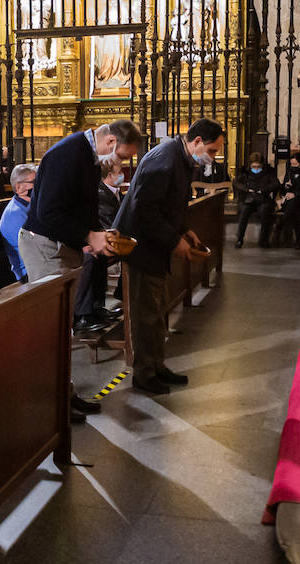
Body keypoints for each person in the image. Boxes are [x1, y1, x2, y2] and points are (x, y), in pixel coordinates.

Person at [21, 118, 141, 419]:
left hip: (64, 244)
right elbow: (48, 211)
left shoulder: (86, 156)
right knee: (52, 328)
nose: (123, 167)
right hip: (46, 246)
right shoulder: (68, 153)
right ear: (111, 142)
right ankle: (50, 404)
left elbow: (82, 204)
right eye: (123, 158)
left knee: (64, 326)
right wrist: (88, 235)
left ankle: (64, 393)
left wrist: (95, 235)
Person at [113, 118, 224, 395]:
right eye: (211, 150)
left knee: (157, 309)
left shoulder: (181, 158)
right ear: (197, 141)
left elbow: (170, 204)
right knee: (146, 314)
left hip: (155, 244)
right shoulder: (164, 160)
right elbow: (144, 211)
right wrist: (175, 240)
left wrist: (185, 230)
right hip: (142, 246)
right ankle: (144, 373)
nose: (212, 157)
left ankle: (157, 365)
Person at [75, 157, 126, 332]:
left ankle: (97, 307)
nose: (123, 175)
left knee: (99, 256)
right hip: (85, 241)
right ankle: (83, 314)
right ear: (110, 175)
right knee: (92, 257)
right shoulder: (100, 194)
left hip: (98, 237)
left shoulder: (113, 192)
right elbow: (109, 222)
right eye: (120, 172)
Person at [232, 152, 280, 249]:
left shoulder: (268, 172)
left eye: (258, 166)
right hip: (249, 199)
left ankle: (263, 240)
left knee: (265, 213)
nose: (256, 169)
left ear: (262, 165)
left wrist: (263, 189)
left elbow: (276, 184)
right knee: (244, 213)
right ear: (250, 165)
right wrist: (247, 189)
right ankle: (239, 239)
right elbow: (236, 182)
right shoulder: (245, 173)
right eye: (254, 166)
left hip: (263, 199)